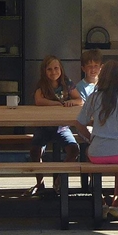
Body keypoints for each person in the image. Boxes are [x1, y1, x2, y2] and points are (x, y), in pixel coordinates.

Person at [75, 61, 118, 221]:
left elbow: (79, 123)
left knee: (88, 154)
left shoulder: (94, 97)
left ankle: (101, 200)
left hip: (97, 152)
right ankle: (116, 201)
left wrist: (90, 139)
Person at [29, 55, 83, 196]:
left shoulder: (67, 83)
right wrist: (56, 103)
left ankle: (60, 179)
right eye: (49, 69)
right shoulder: (42, 84)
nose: (53, 72)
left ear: (61, 69)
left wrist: (71, 102)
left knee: (74, 149)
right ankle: (40, 182)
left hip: (62, 127)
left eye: (56, 68)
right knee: (35, 151)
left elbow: (80, 99)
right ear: (44, 71)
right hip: (44, 126)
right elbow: (38, 100)